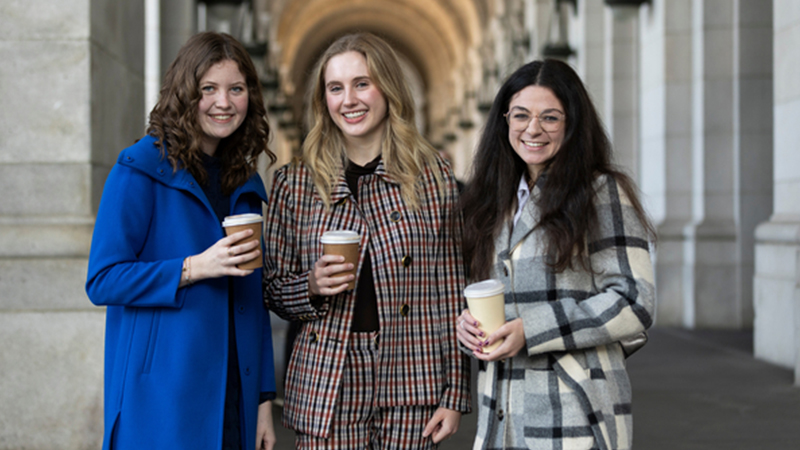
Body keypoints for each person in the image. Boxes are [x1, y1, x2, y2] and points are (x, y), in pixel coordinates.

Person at [263, 32, 470, 449]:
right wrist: (311, 285)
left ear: (388, 88)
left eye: (362, 83)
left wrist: (455, 391)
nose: (349, 100)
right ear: (323, 99)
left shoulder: (432, 177)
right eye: (335, 88)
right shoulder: (295, 183)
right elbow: (271, 288)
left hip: (413, 375)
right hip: (327, 380)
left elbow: (450, 290)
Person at [86, 32, 277, 450]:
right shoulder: (139, 169)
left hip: (235, 397)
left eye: (236, 89)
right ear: (185, 93)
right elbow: (102, 280)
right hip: (162, 400)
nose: (223, 102)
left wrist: (263, 399)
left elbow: (253, 297)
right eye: (208, 89)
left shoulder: (244, 183)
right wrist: (193, 268)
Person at [456, 59, 656, 450]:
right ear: (504, 121)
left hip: (573, 410)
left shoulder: (601, 192)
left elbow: (635, 301)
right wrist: (467, 327)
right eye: (521, 115)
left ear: (572, 124)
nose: (533, 129)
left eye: (550, 117)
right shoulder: (489, 201)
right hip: (500, 410)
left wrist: (532, 329)